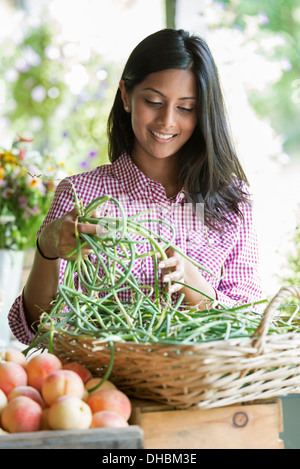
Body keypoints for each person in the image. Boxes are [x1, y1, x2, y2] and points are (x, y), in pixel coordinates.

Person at [8, 28, 263, 345]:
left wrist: (203, 293)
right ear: (126, 96)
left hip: (202, 390)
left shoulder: (232, 201)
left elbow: (253, 324)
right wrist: (46, 248)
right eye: (154, 101)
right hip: (104, 386)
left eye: (185, 108)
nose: (167, 121)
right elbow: (37, 330)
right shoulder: (79, 194)